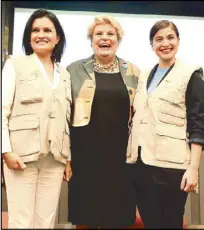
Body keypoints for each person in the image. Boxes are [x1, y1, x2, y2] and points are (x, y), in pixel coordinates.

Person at [128, 20, 204, 228]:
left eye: (170, 37)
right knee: (151, 222)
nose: (165, 43)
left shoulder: (192, 74)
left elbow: (198, 123)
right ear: (152, 45)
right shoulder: (145, 76)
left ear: (178, 40)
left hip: (171, 167)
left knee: (170, 222)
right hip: (142, 163)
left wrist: (193, 169)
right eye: (158, 39)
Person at [67, 15, 140, 229]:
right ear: (91, 40)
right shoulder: (74, 70)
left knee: (118, 218)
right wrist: (67, 157)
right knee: (85, 217)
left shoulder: (134, 72)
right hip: (85, 159)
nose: (105, 38)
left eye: (111, 34)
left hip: (121, 160)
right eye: (99, 34)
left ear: (118, 40)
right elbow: (64, 113)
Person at [2, 8, 72, 229]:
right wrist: (6, 151)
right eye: (35, 30)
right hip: (21, 157)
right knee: (21, 221)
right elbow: (2, 110)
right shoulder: (15, 64)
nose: (41, 34)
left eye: (47, 30)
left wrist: (67, 157)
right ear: (29, 36)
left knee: (46, 221)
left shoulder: (65, 74)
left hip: (55, 159)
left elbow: (66, 119)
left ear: (57, 37)